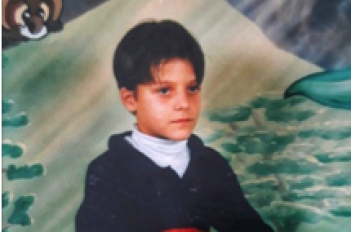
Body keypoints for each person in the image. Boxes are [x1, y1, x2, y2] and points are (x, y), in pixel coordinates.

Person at [75, 19, 274, 232]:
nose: (184, 103)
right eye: (164, 91)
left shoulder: (209, 165)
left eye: (192, 88)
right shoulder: (108, 172)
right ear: (130, 99)